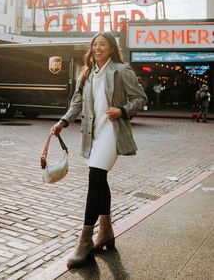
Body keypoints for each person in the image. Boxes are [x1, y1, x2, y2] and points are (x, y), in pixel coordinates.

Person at [51, 32, 148, 268]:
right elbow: (76, 103)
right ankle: (106, 232)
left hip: (112, 134)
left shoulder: (121, 70)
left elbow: (140, 98)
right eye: (94, 45)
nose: (97, 48)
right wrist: (63, 122)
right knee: (98, 180)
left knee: (95, 177)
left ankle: (85, 242)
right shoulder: (86, 72)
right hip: (92, 135)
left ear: (111, 48)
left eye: (102, 45)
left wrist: (122, 110)